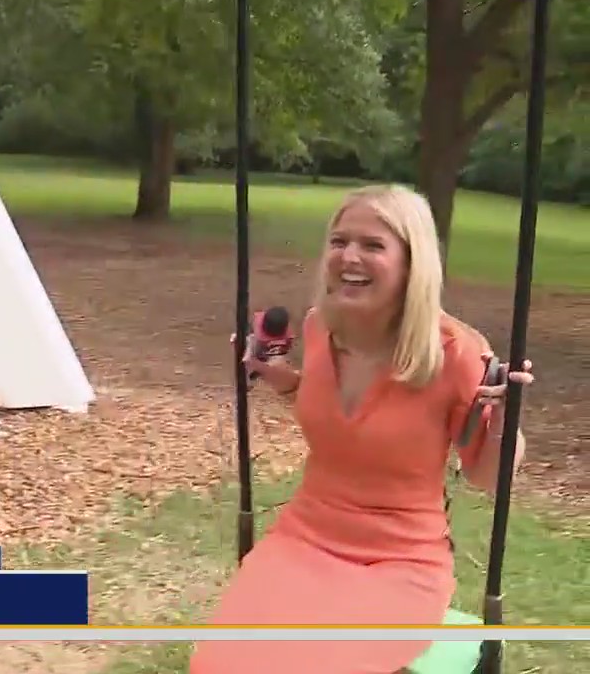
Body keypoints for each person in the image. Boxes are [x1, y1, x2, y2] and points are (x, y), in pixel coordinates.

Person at [189, 184, 535, 674]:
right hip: (305, 538)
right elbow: (340, 421)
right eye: (339, 241)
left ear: (412, 263)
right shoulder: (319, 327)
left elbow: (485, 476)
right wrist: (281, 379)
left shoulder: (456, 354)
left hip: (400, 561)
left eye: (373, 245)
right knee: (220, 666)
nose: (349, 256)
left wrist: (503, 423)